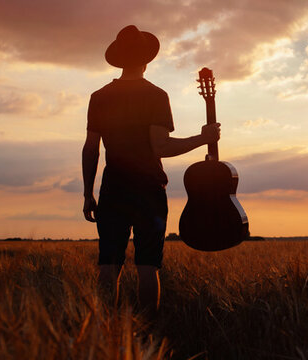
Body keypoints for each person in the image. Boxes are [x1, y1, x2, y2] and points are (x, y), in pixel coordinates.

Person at [82, 25, 220, 312]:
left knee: (108, 265)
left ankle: (105, 337)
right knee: (147, 268)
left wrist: (88, 193)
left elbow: (91, 148)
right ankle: (147, 336)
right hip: (148, 190)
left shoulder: (100, 96)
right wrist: (202, 139)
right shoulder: (155, 95)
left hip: (112, 188)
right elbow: (161, 147)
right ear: (146, 60)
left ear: (119, 60)